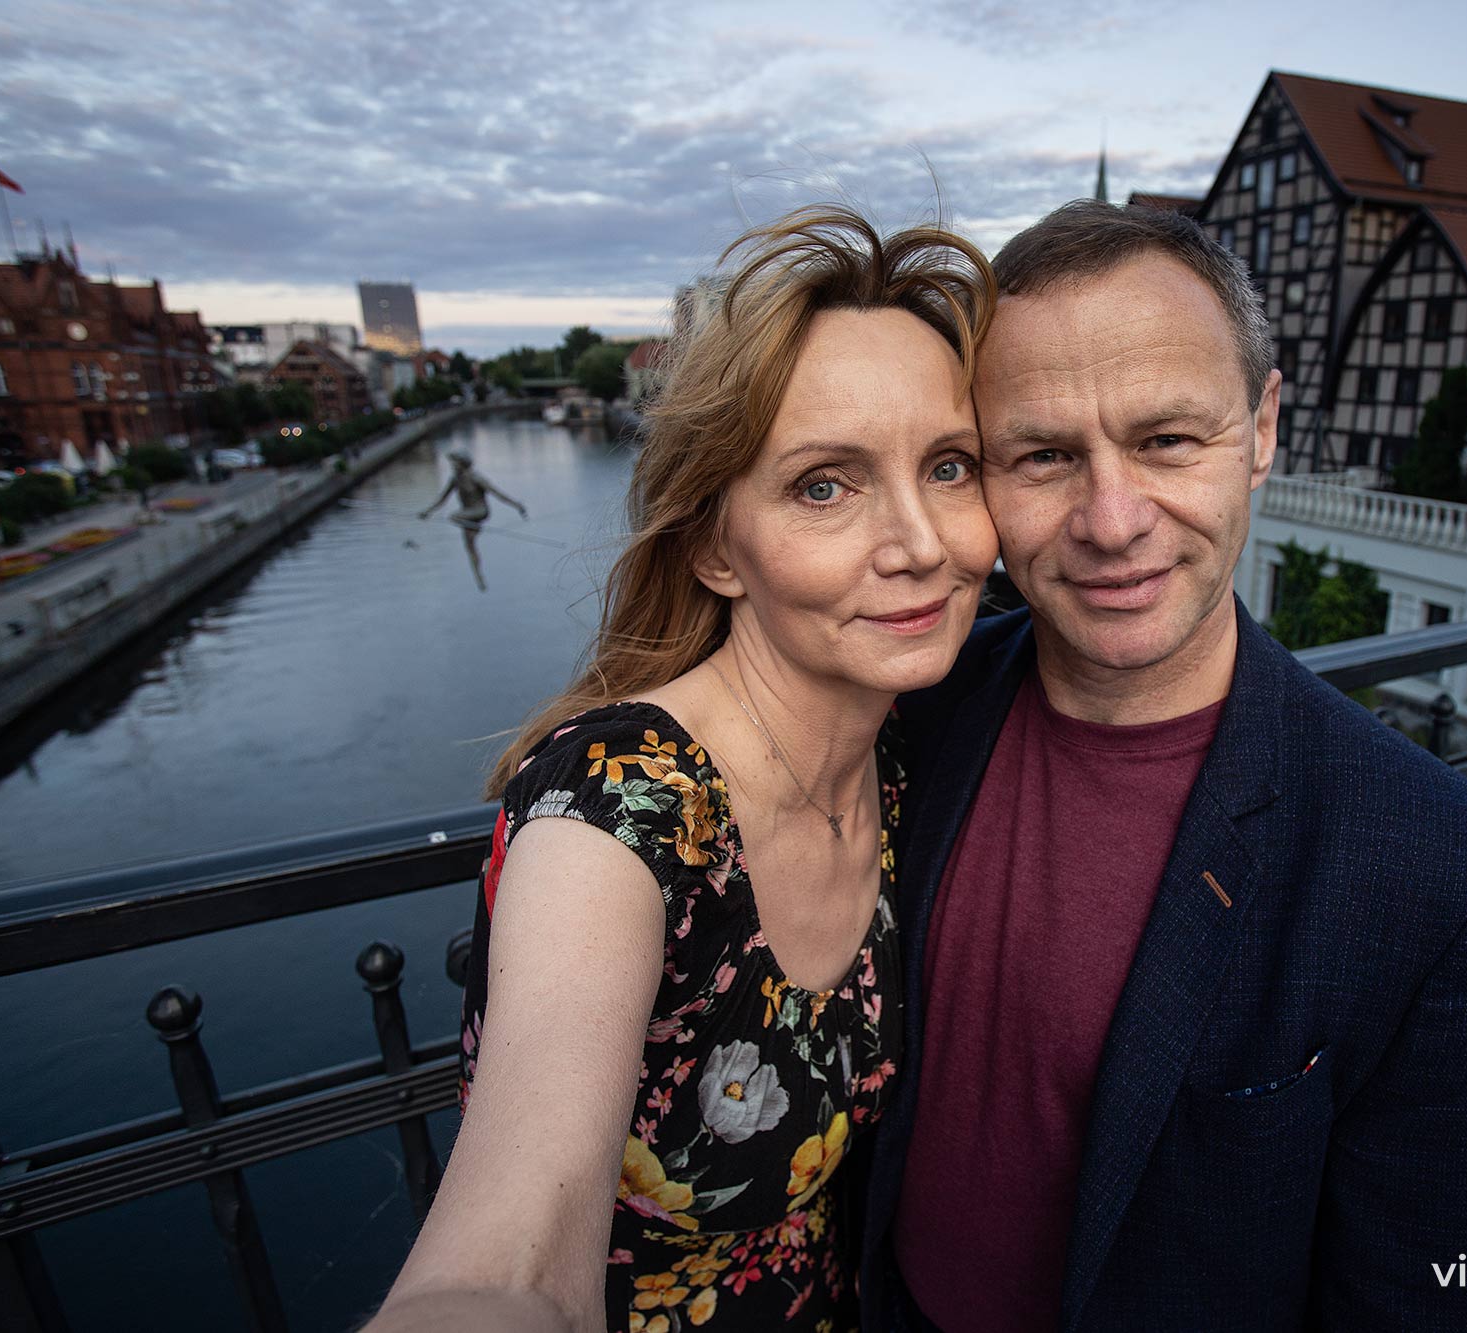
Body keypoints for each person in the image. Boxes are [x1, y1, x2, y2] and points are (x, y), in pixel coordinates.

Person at [863, 201, 1467, 1331]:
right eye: (1042, 456)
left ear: (1263, 428)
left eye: (1167, 440)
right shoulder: (906, 707)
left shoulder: (1445, 872)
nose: (1111, 519)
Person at [367, 205, 998, 1333]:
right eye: (824, 485)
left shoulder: (899, 747)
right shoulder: (619, 809)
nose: (923, 542)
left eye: (949, 467)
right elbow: (507, 1262)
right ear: (713, 547)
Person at [418, 448, 527, 591]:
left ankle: (476, 527)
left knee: (453, 516)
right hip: (467, 515)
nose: (453, 465)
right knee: (469, 546)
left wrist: (517, 505)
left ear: (462, 463)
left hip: (479, 511)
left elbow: (497, 493)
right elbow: (442, 499)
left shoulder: (476, 478)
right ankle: (479, 579)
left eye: (455, 462)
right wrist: (428, 512)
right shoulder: (455, 480)